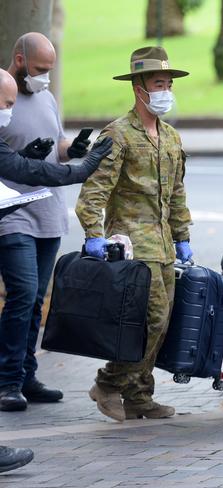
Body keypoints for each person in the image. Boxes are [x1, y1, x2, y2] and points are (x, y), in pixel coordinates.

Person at [75, 46, 193, 422]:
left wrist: (182, 235)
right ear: (139, 88)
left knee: (162, 321)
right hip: (129, 245)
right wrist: (94, 234)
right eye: (159, 83)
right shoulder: (118, 134)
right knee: (151, 319)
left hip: (163, 246)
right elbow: (93, 193)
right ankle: (108, 383)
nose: (166, 90)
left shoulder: (171, 137)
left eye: (169, 83)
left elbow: (176, 192)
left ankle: (140, 396)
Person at [0, 33, 94, 412]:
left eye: (50, 72)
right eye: (40, 70)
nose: (45, 79)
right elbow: (8, 159)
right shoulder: (3, 98)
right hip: (12, 214)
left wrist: (74, 149)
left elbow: (56, 143)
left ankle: (26, 374)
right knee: (22, 294)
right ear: (19, 60)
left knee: (36, 299)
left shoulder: (46, 97)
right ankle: (7, 381)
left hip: (48, 211)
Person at [0, 68, 112, 222]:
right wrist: (82, 171)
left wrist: (25, 155)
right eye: (8, 104)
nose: (9, 111)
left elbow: (9, 163)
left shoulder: (47, 98)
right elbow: (24, 169)